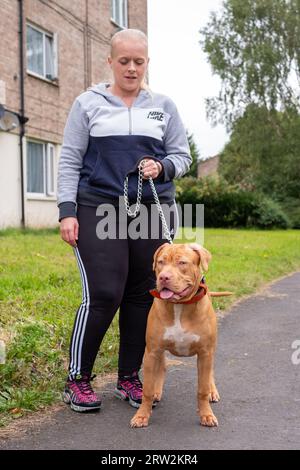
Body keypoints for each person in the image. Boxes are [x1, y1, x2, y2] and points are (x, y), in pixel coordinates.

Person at [57, 28, 192, 412]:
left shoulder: (163, 105)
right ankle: (78, 379)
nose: (131, 68)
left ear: (147, 63)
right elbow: (69, 160)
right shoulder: (88, 103)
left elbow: (182, 156)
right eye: (124, 61)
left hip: (152, 208)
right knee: (104, 293)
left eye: (139, 61)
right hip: (98, 207)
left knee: (142, 296)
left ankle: (130, 378)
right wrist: (67, 211)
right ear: (110, 62)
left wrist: (162, 165)